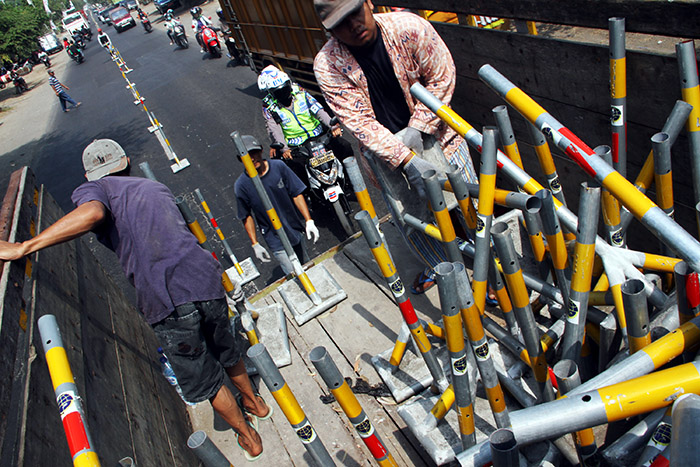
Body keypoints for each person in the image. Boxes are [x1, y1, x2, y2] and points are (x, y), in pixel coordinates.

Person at [0, 139, 270, 461]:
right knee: (226, 348)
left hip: (167, 298)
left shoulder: (97, 191)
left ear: (90, 177)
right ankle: (256, 403)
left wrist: (25, 247)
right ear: (126, 161)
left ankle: (249, 437)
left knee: (204, 378)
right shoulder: (154, 188)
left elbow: (91, 214)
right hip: (205, 279)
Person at [313, 0, 478, 294]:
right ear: (329, 30)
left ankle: (491, 275)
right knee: (415, 222)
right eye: (340, 24)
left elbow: (442, 76)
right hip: (387, 159)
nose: (353, 26)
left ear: (369, 3)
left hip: (442, 138)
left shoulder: (410, 28)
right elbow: (359, 122)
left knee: (470, 210)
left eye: (354, 14)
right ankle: (447, 276)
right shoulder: (328, 65)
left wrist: (418, 127)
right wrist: (406, 159)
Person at [234, 135, 320, 276]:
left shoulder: (278, 167)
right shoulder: (241, 185)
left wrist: (308, 220)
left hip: (294, 230)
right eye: (247, 156)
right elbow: (246, 215)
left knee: (307, 267)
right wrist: (255, 243)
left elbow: (296, 193)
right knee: (294, 274)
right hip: (274, 238)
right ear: (240, 159)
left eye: (254, 153)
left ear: (261, 150)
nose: (252, 158)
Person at [257, 65, 353, 186]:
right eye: (278, 92)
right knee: (295, 170)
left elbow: (318, 110)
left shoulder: (300, 92)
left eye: (285, 89)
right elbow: (274, 128)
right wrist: (285, 149)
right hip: (296, 146)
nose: (283, 93)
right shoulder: (269, 106)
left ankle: (350, 181)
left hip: (319, 135)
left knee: (344, 146)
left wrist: (333, 126)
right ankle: (310, 198)